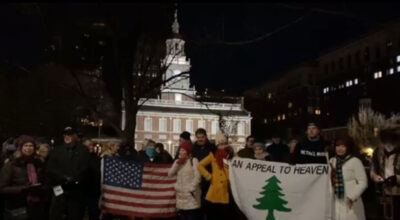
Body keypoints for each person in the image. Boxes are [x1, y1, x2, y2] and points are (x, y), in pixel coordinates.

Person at [46, 126, 90, 220]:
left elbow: (85, 168)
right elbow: (51, 169)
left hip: (76, 191)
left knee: (75, 215)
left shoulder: (83, 150)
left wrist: (75, 179)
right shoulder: (57, 151)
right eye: (65, 134)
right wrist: (63, 178)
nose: (67, 136)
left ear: (75, 136)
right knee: (56, 215)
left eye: (70, 134)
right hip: (59, 189)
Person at [0, 135, 47, 220]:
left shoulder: (38, 164)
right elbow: (2, 188)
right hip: (17, 207)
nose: (28, 148)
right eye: (25, 145)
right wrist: (23, 189)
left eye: (31, 145)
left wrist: (40, 189)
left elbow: (44, 182)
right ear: (20, 148)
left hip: (36, 207)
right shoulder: (11, 165)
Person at [330, 136, 367, 220]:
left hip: (350, 201)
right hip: (336, 201)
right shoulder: (332, 161)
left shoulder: (355, 161)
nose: (339, 149)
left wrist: (352, 196)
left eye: (343, 146)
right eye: (337, 146)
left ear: (348, 147)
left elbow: (363, 182)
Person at [198, 132, 232, 220]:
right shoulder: (212, 155)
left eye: (225, 144)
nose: (223, 146)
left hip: (226, 189)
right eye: (221, 144)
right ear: (217, 146)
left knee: (224, 215)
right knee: (212, 215)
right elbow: (200, 165)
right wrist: (209, 177)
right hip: (215, 190)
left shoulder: (231, 156)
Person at [370, 126, 400, 220]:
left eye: (391, 144)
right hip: (383, 193)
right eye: (385, 144)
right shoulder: (378, 152)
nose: (388, 147)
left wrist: (397, 179)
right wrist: (375, 177)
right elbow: (372, 169)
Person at [168, 141, 201, 220]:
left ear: (188, 151)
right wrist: (177, 163)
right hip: (180, 197)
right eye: (180, 150)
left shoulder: (193, 161)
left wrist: (191, 188)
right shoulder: (177, 162)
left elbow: (198, 177)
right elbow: (170, 174)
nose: (181, 152)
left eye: (183, 150)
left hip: (191, 197)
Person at [191, 128, 216, 219]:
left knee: (209, 202)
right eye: (198, 137)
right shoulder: (193, 148)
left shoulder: (212, 147)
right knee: (198, 202)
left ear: (206, 137)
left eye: (202, 137)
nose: (200, 139)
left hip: (209, 178)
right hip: (197, 178)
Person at [82, 138, 101, 220]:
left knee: (94, 213)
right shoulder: (79, 157)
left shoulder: (96, 158)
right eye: (89, 145)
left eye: (92, 145)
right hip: (81, 190)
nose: (91, 147)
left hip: (93, 190)